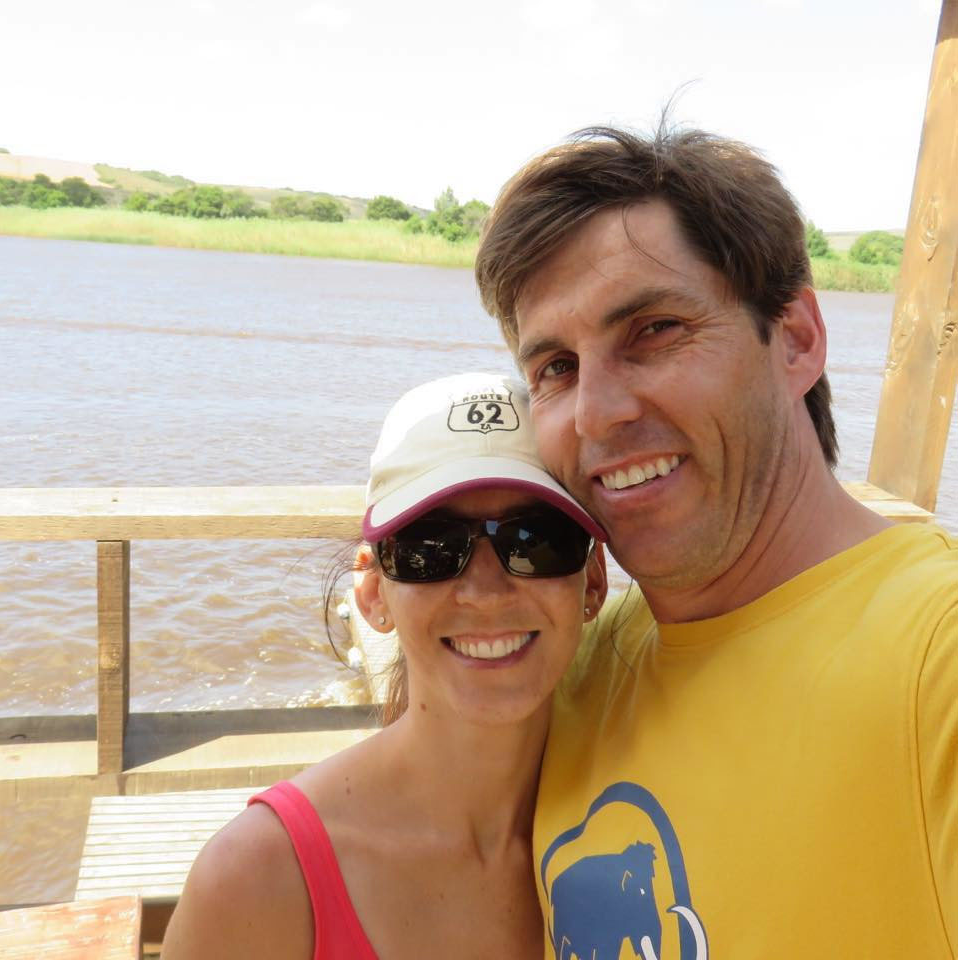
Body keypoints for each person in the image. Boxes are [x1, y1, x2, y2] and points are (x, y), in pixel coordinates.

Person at [475, 125, 958, 958]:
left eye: (655, 330)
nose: (596, 412)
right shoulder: (575, 668)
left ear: (796, 339)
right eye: (554, 366)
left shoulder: (933, 659)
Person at [161, 372, 607, 959]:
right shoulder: (259, 879)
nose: (484, 590)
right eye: (429, 549)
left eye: (537, 539)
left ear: (593, 580)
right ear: (373, 592)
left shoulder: (630, 822)